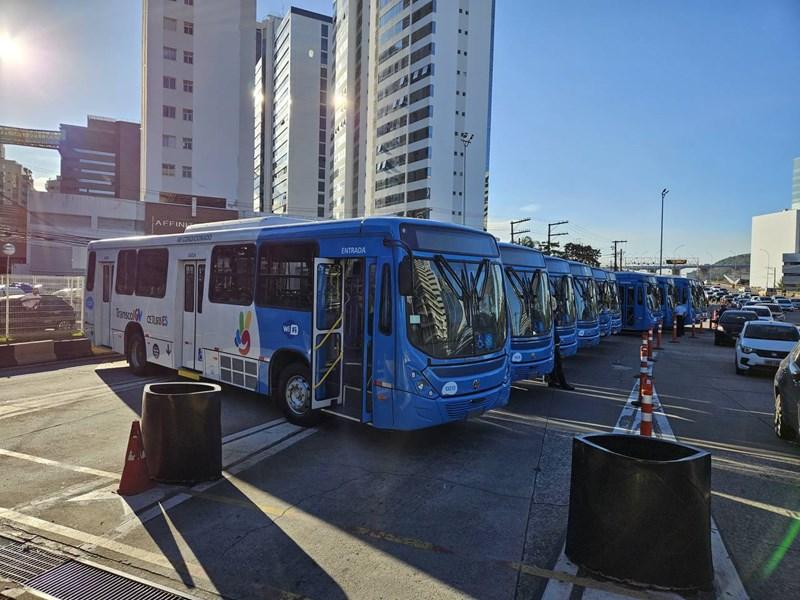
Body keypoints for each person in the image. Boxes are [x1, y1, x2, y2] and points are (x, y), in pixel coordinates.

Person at [547, 304, 574, 391]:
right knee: (558, 364)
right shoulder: (550, 317)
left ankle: (552, 381)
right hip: (554, 342)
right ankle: (563, 383)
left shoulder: (549, 317)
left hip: (553, 341)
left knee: (554, 363)